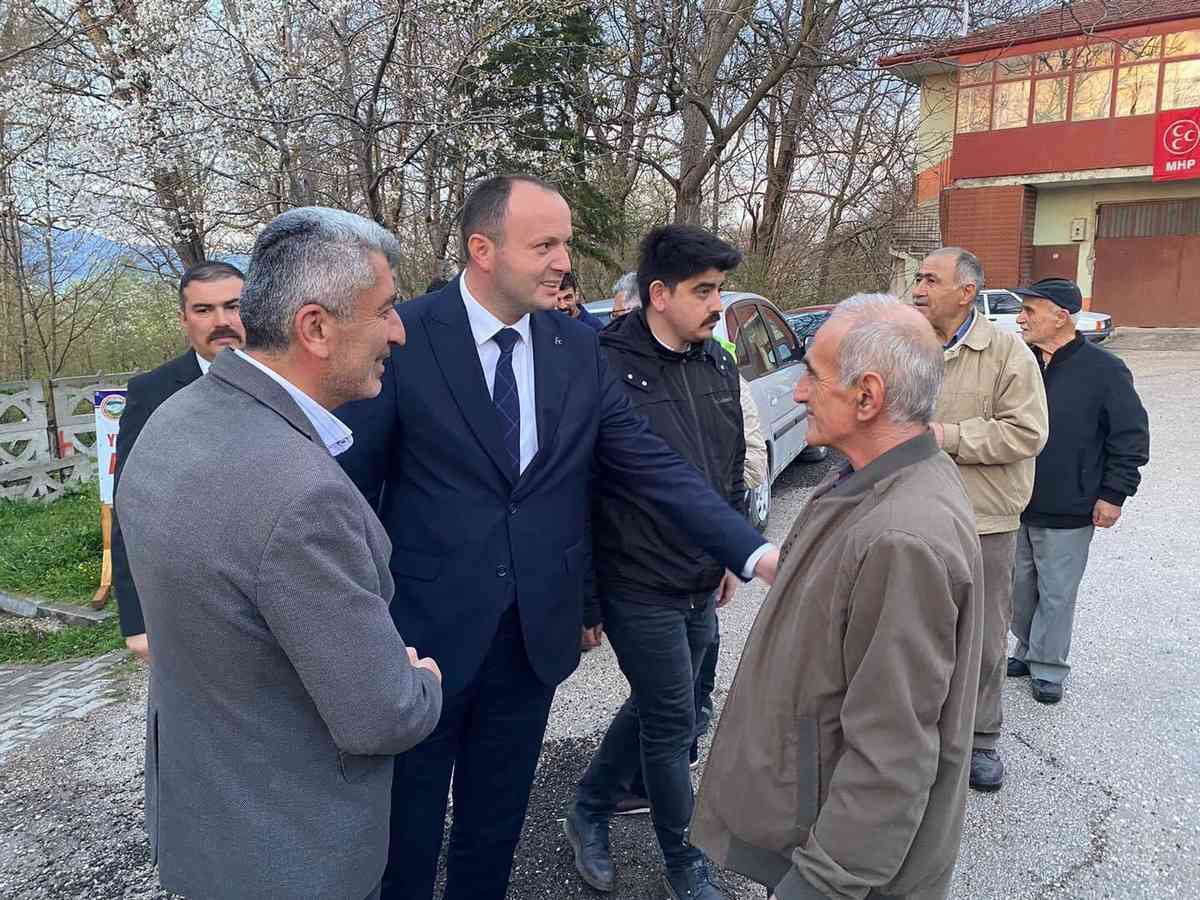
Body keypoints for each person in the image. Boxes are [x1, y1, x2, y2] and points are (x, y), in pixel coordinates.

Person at [334, 174, 778, 900]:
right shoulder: (405, 336)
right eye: (544, 245)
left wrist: (751, 549)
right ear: (483, 249)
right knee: (406, 834)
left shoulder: (577, 347)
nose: (563, 262)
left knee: (494, 828)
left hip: (531, 639)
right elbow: (351, 491)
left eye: (565, 244)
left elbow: (648, 462)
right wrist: (355, 623)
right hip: (423, 639)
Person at [116, 207, 444, 900]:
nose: (398, 331)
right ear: (315, 328)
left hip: (206, 819)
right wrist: (421, 682)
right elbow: (381, 714)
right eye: (385, 309)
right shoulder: (301, 495)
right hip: (293, 850)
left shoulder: (177, 416)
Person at [691, 294, 984, 900]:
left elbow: (892, 750)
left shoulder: (901, 537)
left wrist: (820, 884)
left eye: (813, 375)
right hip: (814, 820)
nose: (798, 392)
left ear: (867, 396)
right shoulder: (874, 477)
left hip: (838, 865)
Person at [564, 225, 750, 900]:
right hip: (637, 582)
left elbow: (729, 466)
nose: (717, 305)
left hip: (700, 576)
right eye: (704, 291)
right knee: (674, 722)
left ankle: (588, 806)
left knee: (660, 705)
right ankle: (685, 862)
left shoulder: (717, 363)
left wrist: (731, 548)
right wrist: (586, 600)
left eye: (720, 290)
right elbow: (577, 492)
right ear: (659, 294)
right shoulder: (601, 366)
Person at [913, 247, 1048, 793]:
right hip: (916, 516)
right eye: (918, 278)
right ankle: (919, 736)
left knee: (985, 639)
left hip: (984, 520)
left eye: (930, 280)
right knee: (917, 633)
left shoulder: (1007, 353)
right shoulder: (908, 345)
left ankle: (981, 739)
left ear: (966, 292)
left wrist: (947, 437)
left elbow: (1027, 433)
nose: (918, 289)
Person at [1010, 278, 1149, 703]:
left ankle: (1048, 666)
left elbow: (1130, 437)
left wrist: (1114, 494)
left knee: (1056, 591)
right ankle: (1028, 648)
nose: (1020, 318)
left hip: (1070, 503)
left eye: (1029, 311)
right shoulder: (1021, 363)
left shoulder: (1105, 370)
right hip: (1014, 500)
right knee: (1017, 588)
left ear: (1060, 317)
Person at [111, 260, 246, 661]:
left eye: (234, 306)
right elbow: (130, 505)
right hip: (194, 596)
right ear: (184, 319)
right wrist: (136, 618)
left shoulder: (293, 379)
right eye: (204, 310)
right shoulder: (151, 393)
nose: (222, 321)